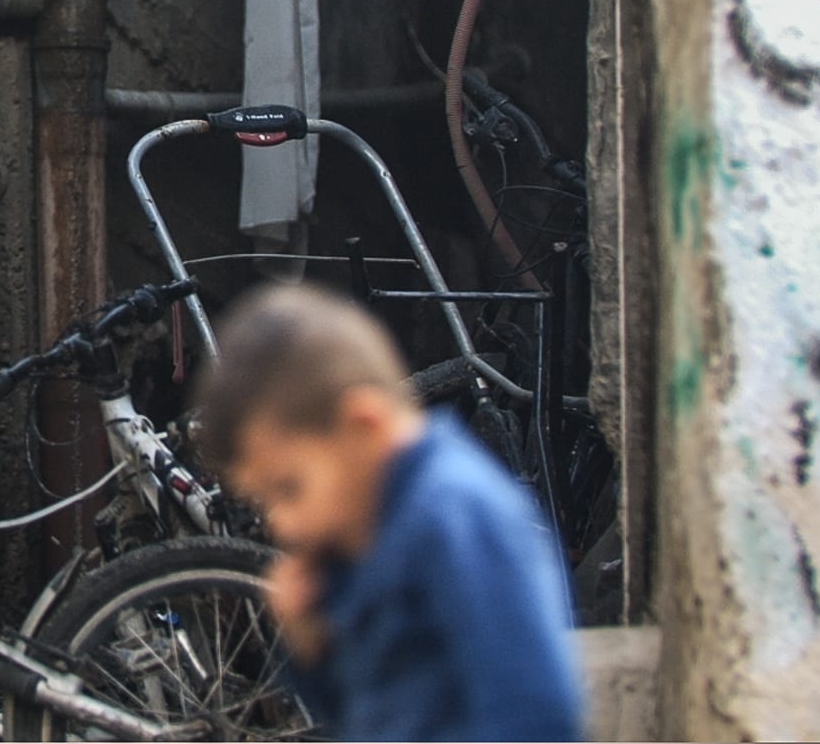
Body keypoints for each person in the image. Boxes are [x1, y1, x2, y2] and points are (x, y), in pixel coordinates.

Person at [195, 284, 583, 742]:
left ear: (365, 425)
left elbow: (536, 715)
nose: (283, 523)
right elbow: (358, 711)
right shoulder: (363, 528)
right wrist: (310, 646)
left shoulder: (454, 514)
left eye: (289, 489)